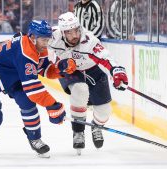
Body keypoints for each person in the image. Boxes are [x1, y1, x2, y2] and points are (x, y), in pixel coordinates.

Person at [0, 20, 72, 157]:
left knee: (27, 102)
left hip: (12, 74)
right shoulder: (26, 52)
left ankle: (34, 138)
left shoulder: (39, 47)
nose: (46, 43)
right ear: (33, 37)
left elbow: (44, 69)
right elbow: (33, 89)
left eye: (48, 39)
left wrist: (61, 68)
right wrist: (53, 105)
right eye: (43, 39)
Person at [46, 12, 128, 154]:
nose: (74, 35)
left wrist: (117, 71)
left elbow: (106, 57)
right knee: (80, 89)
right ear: (63, 32)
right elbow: (33, 40)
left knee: (104, 111)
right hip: (69, 70)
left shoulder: (89, 41)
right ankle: (78, 131)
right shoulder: (53, 36)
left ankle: (96, 126)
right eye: (69, 32)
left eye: (76, 30)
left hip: (93, 71)